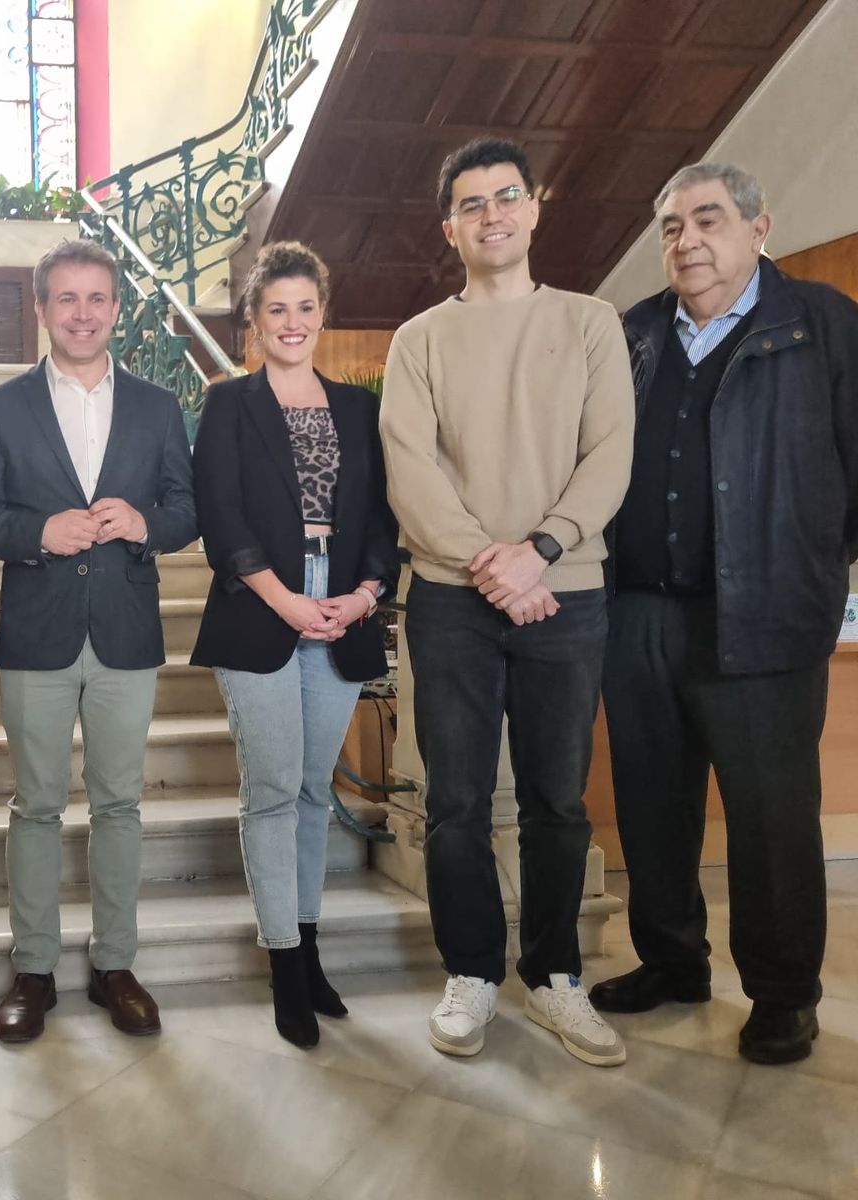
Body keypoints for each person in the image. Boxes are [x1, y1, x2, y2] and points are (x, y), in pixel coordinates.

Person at [590, 162, 858, 1065]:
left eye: (707, 220)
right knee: (653, 805)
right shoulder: (632, 333)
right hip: (642, 616)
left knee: (772, 816)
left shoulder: (821, 325)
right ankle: (672, 962)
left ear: (759, 228)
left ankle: (784, 994)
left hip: (768, 613)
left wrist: (818, 564)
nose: (686, 240)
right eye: (670, 226)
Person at [379, 137, 634, 1067]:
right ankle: (474, 971)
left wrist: (542, 553)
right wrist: (493, 563)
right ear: (451, 228)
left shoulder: (591, 322)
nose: (492, 214)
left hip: (567, 597)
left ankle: (556, 974)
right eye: (472, 204)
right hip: (452, 601)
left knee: (557, 801)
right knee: (453, 801)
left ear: (535, 208)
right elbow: (411, 469)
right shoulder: (419, 340)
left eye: (507, 196)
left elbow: (609, 454)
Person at [0, 239, 197, 1042]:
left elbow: (186, 510)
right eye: (67, 299)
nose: (83, 313)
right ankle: (34, 969)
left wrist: (144, 526)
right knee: (35, 804)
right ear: (41, 309)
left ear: (117, 308)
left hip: (127, 630)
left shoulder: (161, 407)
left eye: (98, 298)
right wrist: (39, 532)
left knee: (119, 802)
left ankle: (114, 964)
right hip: (38, 631)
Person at [190, 241, 399, 1048]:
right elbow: (222, 516)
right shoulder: (230, 405)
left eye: (305, 307)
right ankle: (282, 963)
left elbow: (383, 518)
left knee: (317, 793)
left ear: (323, 314)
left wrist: (363, 595)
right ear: (253, 320)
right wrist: (286, 600)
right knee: (272, 791)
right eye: (276, 308)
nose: (293, 322)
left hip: (343, 611)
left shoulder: (357, 409)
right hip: (260, 608)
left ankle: (310, 953)